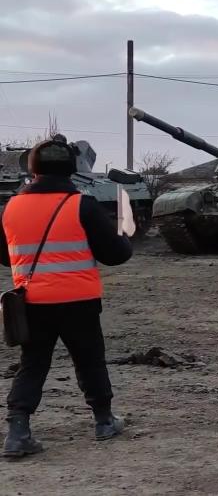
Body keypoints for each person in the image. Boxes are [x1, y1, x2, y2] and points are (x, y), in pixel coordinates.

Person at [1, 138, 132, 459]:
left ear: (32, 168)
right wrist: (124, 235)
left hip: (31, 302)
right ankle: (104, 421)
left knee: (32, 365)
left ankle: (18, 432)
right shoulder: (83, 205)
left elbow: (6, 258)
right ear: (72, 169)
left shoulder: (11, 207)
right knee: (89, 361)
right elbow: (115, 255)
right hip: (79, 303)